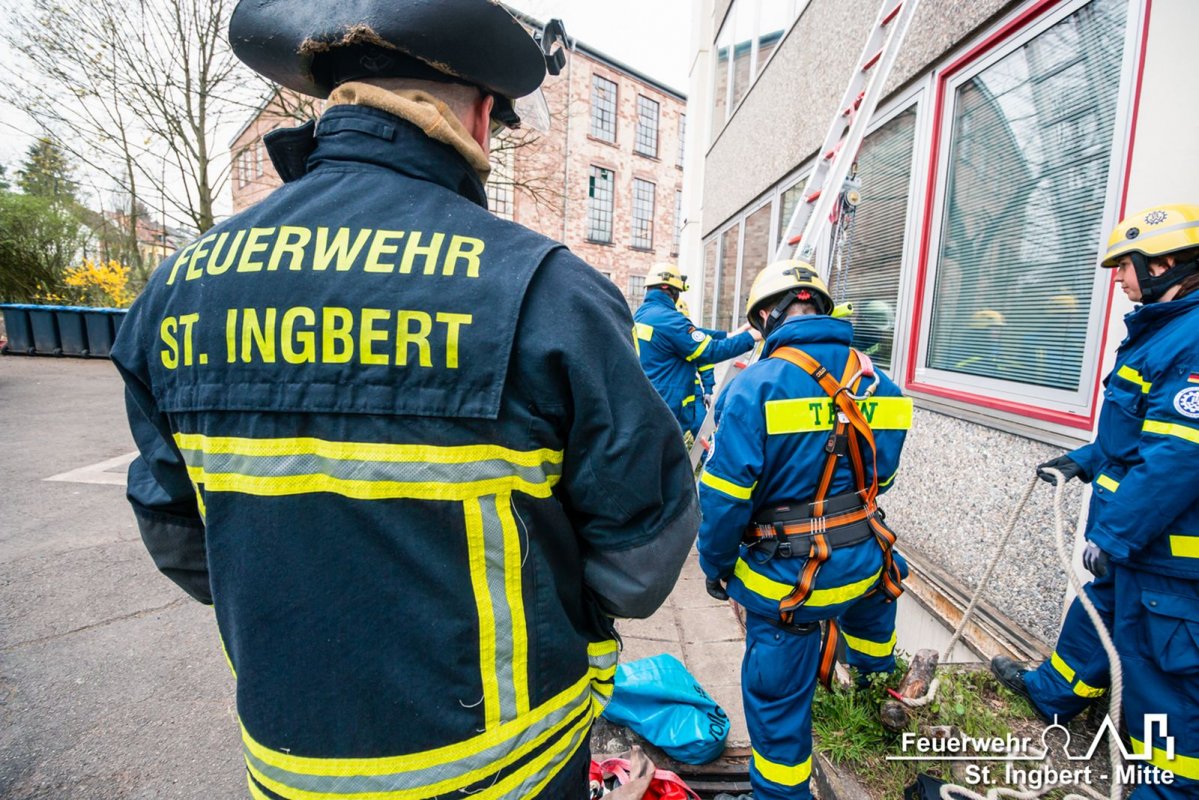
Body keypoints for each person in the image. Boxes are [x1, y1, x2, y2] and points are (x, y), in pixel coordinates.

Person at [110, 3, 699, 798]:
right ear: (483, 114)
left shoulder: (176, 289)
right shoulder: (543, 288)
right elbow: (639, 564)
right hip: (508, 764)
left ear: (333, 99)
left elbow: (177, 533)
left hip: (291, 760)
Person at [992, 203, 1199, 797]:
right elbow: (1136, 434)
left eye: (1124, 266)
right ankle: (1054, 695)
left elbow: (1178, 460)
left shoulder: (1189, 342)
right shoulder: (1165, 330)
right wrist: (1084, 459)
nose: (1118, 278)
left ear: (1163, 263)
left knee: (1161, 682)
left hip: (1164, 555)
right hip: (1132, 539)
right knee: (1094, 615)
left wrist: (1114, 537)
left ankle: (1164, 788)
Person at [697, 260, 911, 800]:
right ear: (819, 306)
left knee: (776, 705)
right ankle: (870, 691)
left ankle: (779, 795)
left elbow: (723, 501)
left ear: (769, 316)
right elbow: (881, 476)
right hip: (865, 565)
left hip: (789, 586)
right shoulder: (878, 381)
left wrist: (717, 568)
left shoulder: (752, 387)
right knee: (870, 635)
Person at [633, 263, 758, 446]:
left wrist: (733, 334)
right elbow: (710, 351)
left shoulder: (643, 315)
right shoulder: (669, 319)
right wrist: (751, 337)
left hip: (651, 402)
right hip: (668, 407)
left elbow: (692, 335)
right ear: (670, 289)